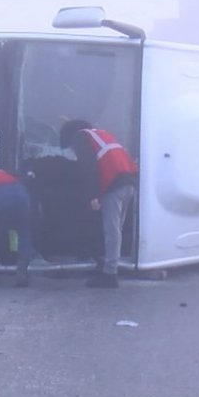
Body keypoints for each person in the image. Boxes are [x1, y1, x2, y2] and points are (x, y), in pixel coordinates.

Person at [60, 120, 138, 288]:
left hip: (114, 184)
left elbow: (89, 166)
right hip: (128, 181)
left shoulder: (80, 137)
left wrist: (93, 195)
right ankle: (111, 264)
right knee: (117, 229)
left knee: (111, 230)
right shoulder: (102, 134)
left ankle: (110, 274)